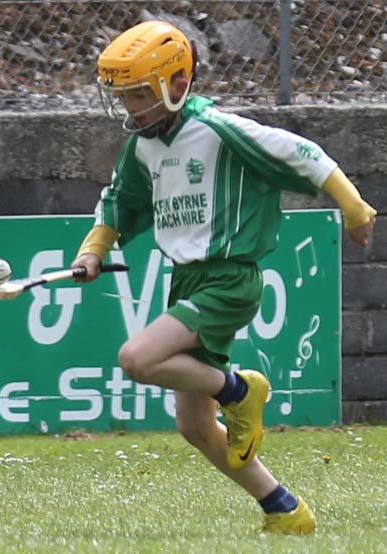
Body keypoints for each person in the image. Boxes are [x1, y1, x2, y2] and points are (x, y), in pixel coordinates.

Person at [71, 20, 376, 534]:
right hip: (186, 281)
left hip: (230, 278)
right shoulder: (144, 145)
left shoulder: (218, 129)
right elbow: (118, 201)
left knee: (137, 359)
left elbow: (301, 152)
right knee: (193, 425)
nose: (132, 108)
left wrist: (352, 205)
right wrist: (93, 249)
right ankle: (283, 508)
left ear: (178, 85)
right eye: (124, 97)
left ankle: (238, 392)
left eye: (140, 94)